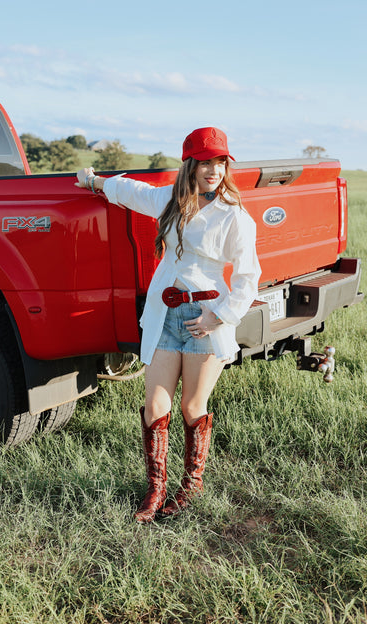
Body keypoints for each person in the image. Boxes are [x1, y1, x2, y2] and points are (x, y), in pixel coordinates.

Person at [75, 127, 261, 523]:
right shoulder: (170, 202)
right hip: (163, 316)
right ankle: (156, 487)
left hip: (203, 320)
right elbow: (131, 192)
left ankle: (191, 485)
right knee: (155, 404)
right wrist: (93, 181)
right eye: (205, 162)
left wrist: (219, 317)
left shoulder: (235, 218)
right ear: (190, 165)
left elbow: (248, 279)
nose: (213, 170)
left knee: (193, 406)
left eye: (220, 162)